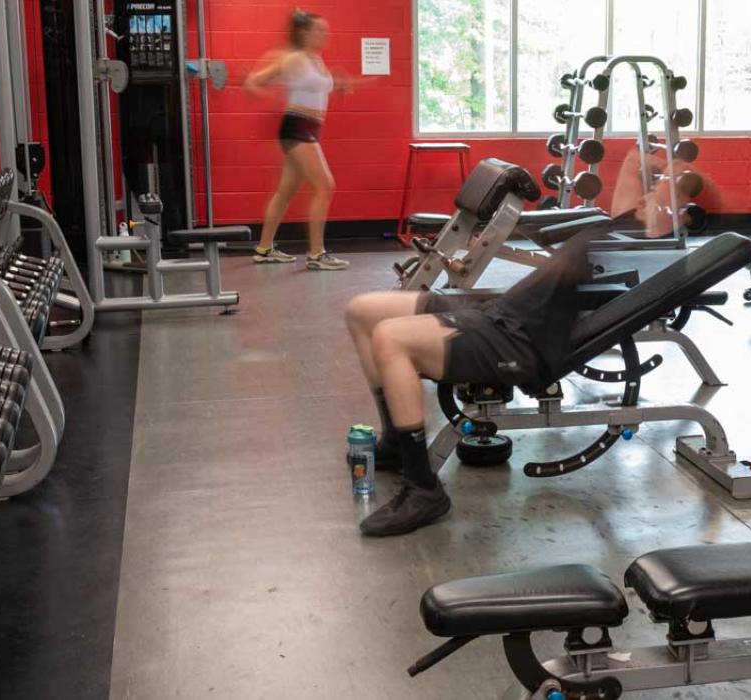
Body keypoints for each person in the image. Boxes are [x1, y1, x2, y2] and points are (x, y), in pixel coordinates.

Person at [343, 226, 601, 536]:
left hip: (516, 341)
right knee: (361, 311)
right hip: (497, 313)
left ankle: (423, 487)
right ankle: (398, 443)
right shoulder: (624, 222)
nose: (645, 196)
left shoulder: (639, 242)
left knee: (390, 338)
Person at [244, 10, 357, 271]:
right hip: (297, 130)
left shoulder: (316, 60)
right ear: (305, 33)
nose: (325, 34)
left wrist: (338, 85)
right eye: (319, 30)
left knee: (285, 193)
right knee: (326, 185)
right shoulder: (294, 59)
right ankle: (317, 255)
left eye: (326, 30)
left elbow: (314, 88)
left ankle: (264, 249)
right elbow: (255, 80)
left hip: (309, 129)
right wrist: (264, 95)